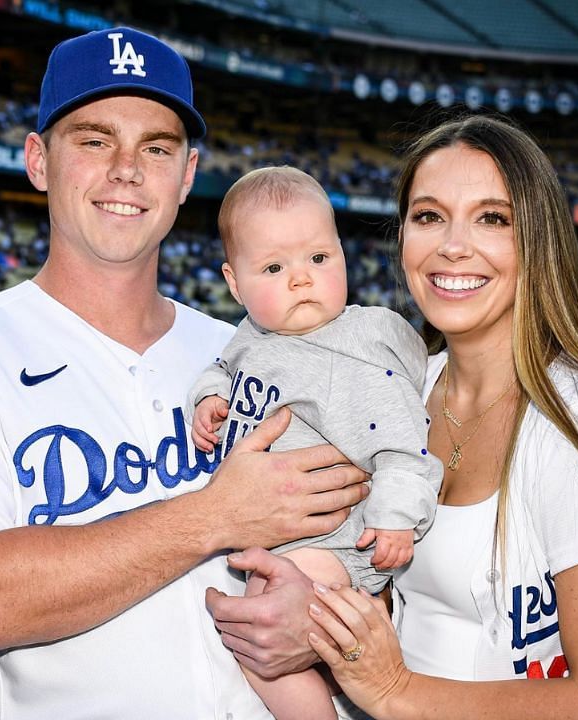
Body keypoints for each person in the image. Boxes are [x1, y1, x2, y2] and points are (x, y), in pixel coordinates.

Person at [0, 27, 368, 719]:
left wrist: (322, 619)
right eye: (93, 140)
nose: (126, 168)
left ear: (186, 175)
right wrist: (212, 516)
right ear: (37, 161)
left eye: (156, 147)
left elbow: (362, 543)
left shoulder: (252, 352)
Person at [205, 115, 578, 719]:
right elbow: (392, 604)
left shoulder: (575, 423)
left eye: (492, 218)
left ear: (536, 237)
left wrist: (393, 693)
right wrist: (313, 617)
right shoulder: (395, 386)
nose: (452, 245)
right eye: (429, 216)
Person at [187, 165, 442, 719]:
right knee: (263, 630)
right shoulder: (253, 335)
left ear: (343, 257)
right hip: (281, 537)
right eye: (275, 267)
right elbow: (220, 367)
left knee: (262, 628)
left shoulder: (356, 353)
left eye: (318, 259)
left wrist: (398, 517)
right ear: (235, 284)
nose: (301, 279)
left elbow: (406, 445)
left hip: (339, 539)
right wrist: (206, 401)